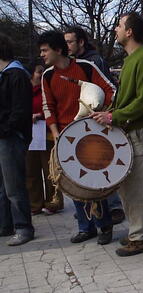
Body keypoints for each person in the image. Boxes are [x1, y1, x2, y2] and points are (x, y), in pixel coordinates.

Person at [91, 12, 143, 256]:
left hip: (139, 130)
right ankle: (141, 231)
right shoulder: (132, 59)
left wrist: (113, 117)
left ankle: (140, 237)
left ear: (130, 32)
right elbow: (126, 100)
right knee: (128, 185)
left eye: (120, 25)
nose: (116, 30)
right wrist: (107, 113)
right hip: (130, 129)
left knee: (136, 186)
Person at [39, 30, 115, 245]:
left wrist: (103, 113)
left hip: (91, 134)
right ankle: (85, 227)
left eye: (45, 50)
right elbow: (48, 106)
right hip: (65, 136)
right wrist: (56, 135)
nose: (42, 55)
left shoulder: (85, 67)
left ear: (58, 49)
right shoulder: (48, 75)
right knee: (72, 183)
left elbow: (110, 90)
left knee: (94, 182)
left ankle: (104, 225)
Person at [64, 25, 125, 225]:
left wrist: (104, 112)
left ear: (81, 42)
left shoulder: (94, 61)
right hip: (83, 120)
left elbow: (106, 89)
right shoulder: (73, 62)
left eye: (70, 41)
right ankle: (91, 207)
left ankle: (113, 207)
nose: (67, 46)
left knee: (101, 162)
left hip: (97, 119)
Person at [0, 33, 34, 246]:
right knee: (3, 186)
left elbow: (19, 111)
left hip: (10, 137)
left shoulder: (16, 74)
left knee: (13, 185)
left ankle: (23, 227)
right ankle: (6, 224)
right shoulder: (6, 74)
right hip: (5, 135)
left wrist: (5, 129)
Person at [26, 63, 64, 216]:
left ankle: (53, 202)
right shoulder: (24, 91)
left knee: (50, 170)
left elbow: (52, 106)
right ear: (31, 74)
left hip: (47, 133)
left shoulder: (47, 88)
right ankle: (35, 204)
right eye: (38, 72)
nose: (41, 74)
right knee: (31, 171)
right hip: (30, 135)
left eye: (43, 72)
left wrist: (41, 116)